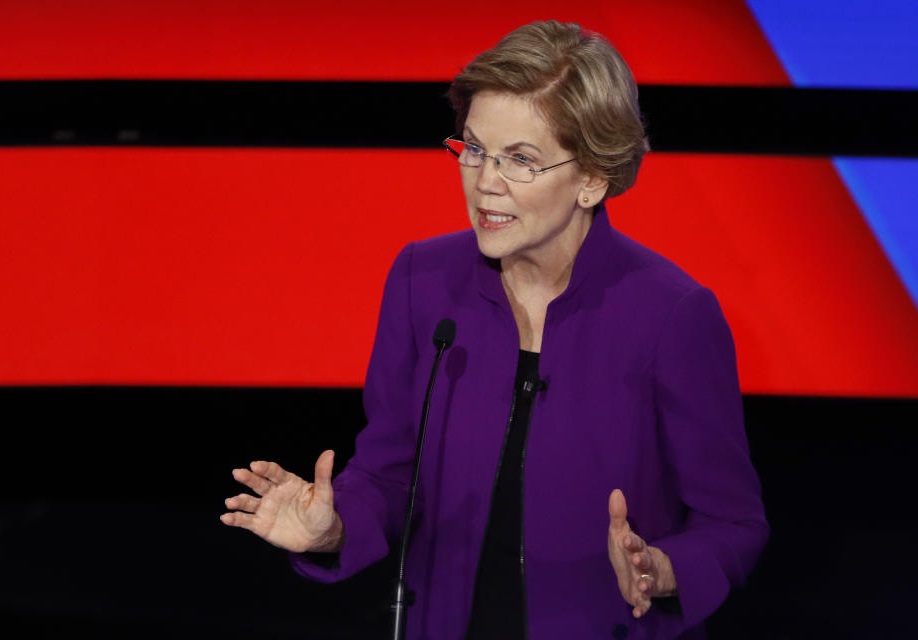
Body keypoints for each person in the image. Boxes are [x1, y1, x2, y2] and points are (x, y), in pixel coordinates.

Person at [221, 20, 768, 640]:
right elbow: (390, 472)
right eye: (475, 149)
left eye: (520, 159)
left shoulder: (672, 314)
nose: (485, 182)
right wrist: (335, 527)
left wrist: (664, 569)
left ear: (591, 178)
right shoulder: (422, 280)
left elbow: (734, 523)